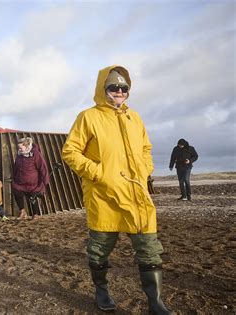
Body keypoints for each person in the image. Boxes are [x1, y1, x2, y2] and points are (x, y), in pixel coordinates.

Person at [62, 65, 171, 314]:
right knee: (99, 248)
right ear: (104, 89)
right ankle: (101, 290)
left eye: (124, 88)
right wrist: (99, 174)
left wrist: (145, 170)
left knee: (149, 247)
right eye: (114, 87)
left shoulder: (135, 118)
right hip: (104, 195)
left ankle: (155, 302)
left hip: (136, 195)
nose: (119, 91)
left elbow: (146, 147)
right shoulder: (88, 117)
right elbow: (70, 151)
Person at [12, 137, 50, 220]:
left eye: (21, 148)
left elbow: (43, 167)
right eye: (18, 148)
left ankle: (35, 214)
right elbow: (16, 167)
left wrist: (45, 181)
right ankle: (23, 212)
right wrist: (14, 177)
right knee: (16, 191)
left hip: (33, 182)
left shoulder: (35, 154)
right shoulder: (19, 154)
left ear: (26, 146)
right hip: (20, 181)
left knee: (32, 198)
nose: (19, 149)